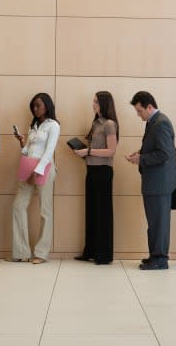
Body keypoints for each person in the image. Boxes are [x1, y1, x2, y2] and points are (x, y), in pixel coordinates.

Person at [125, 91, 176, 270]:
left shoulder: (161, 123)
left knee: (160, 222)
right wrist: (140, 154)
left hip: (160, 183)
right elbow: (154, 149)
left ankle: (161, 258)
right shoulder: (153, 122)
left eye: (140, 111)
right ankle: (154, 255)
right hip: (153, 182)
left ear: (150, 107)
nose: (139, 115)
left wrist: (141, 159)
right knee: (154, 222)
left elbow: (164, 154)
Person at [9, 93, 60, 264]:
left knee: (45, 211)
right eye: (33, 106)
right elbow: (28, 151)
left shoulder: (53, 125)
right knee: (18, 206)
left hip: (44, 169)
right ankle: (21, 252)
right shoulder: (34, 126)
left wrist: (37, 171)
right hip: (28, 168)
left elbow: (49, 151)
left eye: (38, 105)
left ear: (47, 105)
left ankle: (41, 253)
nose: (35, 109)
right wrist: (22, 142)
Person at [73, 91, 119, 265]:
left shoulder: (109, 124)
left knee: (102, 213)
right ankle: (90, 251)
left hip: (103, 172)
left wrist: (89, 151)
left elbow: (111, 151)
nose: (93, 105)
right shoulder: (95, 124)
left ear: (104, 104)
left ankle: (103, 255)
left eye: (96, 102)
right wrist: (83, 152)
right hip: (91, 170)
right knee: (91, 211)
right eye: (93, 101)